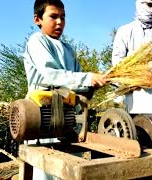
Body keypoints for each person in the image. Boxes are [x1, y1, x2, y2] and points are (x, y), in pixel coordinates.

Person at [23, 0, 109, 179]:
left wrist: (94, 82)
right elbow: (49, 75)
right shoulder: (37, 41)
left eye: (63, 17)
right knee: (45, 171)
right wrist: (87, 78)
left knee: (68, 169)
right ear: (37, 19)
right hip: (43, 116)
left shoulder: (68, 49)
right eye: (53, 16)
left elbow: (78, 81)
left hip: (67, 119)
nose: (60, 22)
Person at [112, 0, 152, 114]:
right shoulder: (125, 31)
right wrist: (136, 78)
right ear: (139, 3)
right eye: (150, 5)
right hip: (137, 93)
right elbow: (118, 63)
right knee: (140, 127)